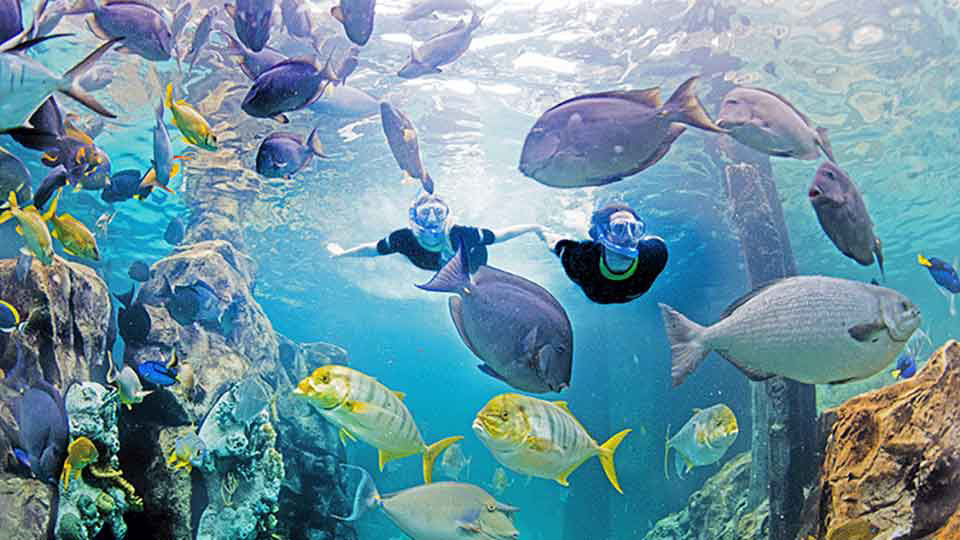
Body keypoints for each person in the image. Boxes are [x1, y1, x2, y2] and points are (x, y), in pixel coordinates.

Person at [326, 192, 544, 272]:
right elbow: (372, 249)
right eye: (425, 212)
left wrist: (533, 227)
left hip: (474, 265)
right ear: (414, 216)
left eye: (438, 212)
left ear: (447, 215)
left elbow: (498, 235)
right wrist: (341, 253)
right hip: (430, 266)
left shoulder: (461, 234)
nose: (431, 219)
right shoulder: (403, 239)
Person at [538, 202, 667, 304]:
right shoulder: (581, 260)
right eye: (619, 228)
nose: (629, 237)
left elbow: (658, 241)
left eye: (635, 228)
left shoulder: (655, 254)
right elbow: (556, 245)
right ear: (600, 234)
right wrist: (541, 232)